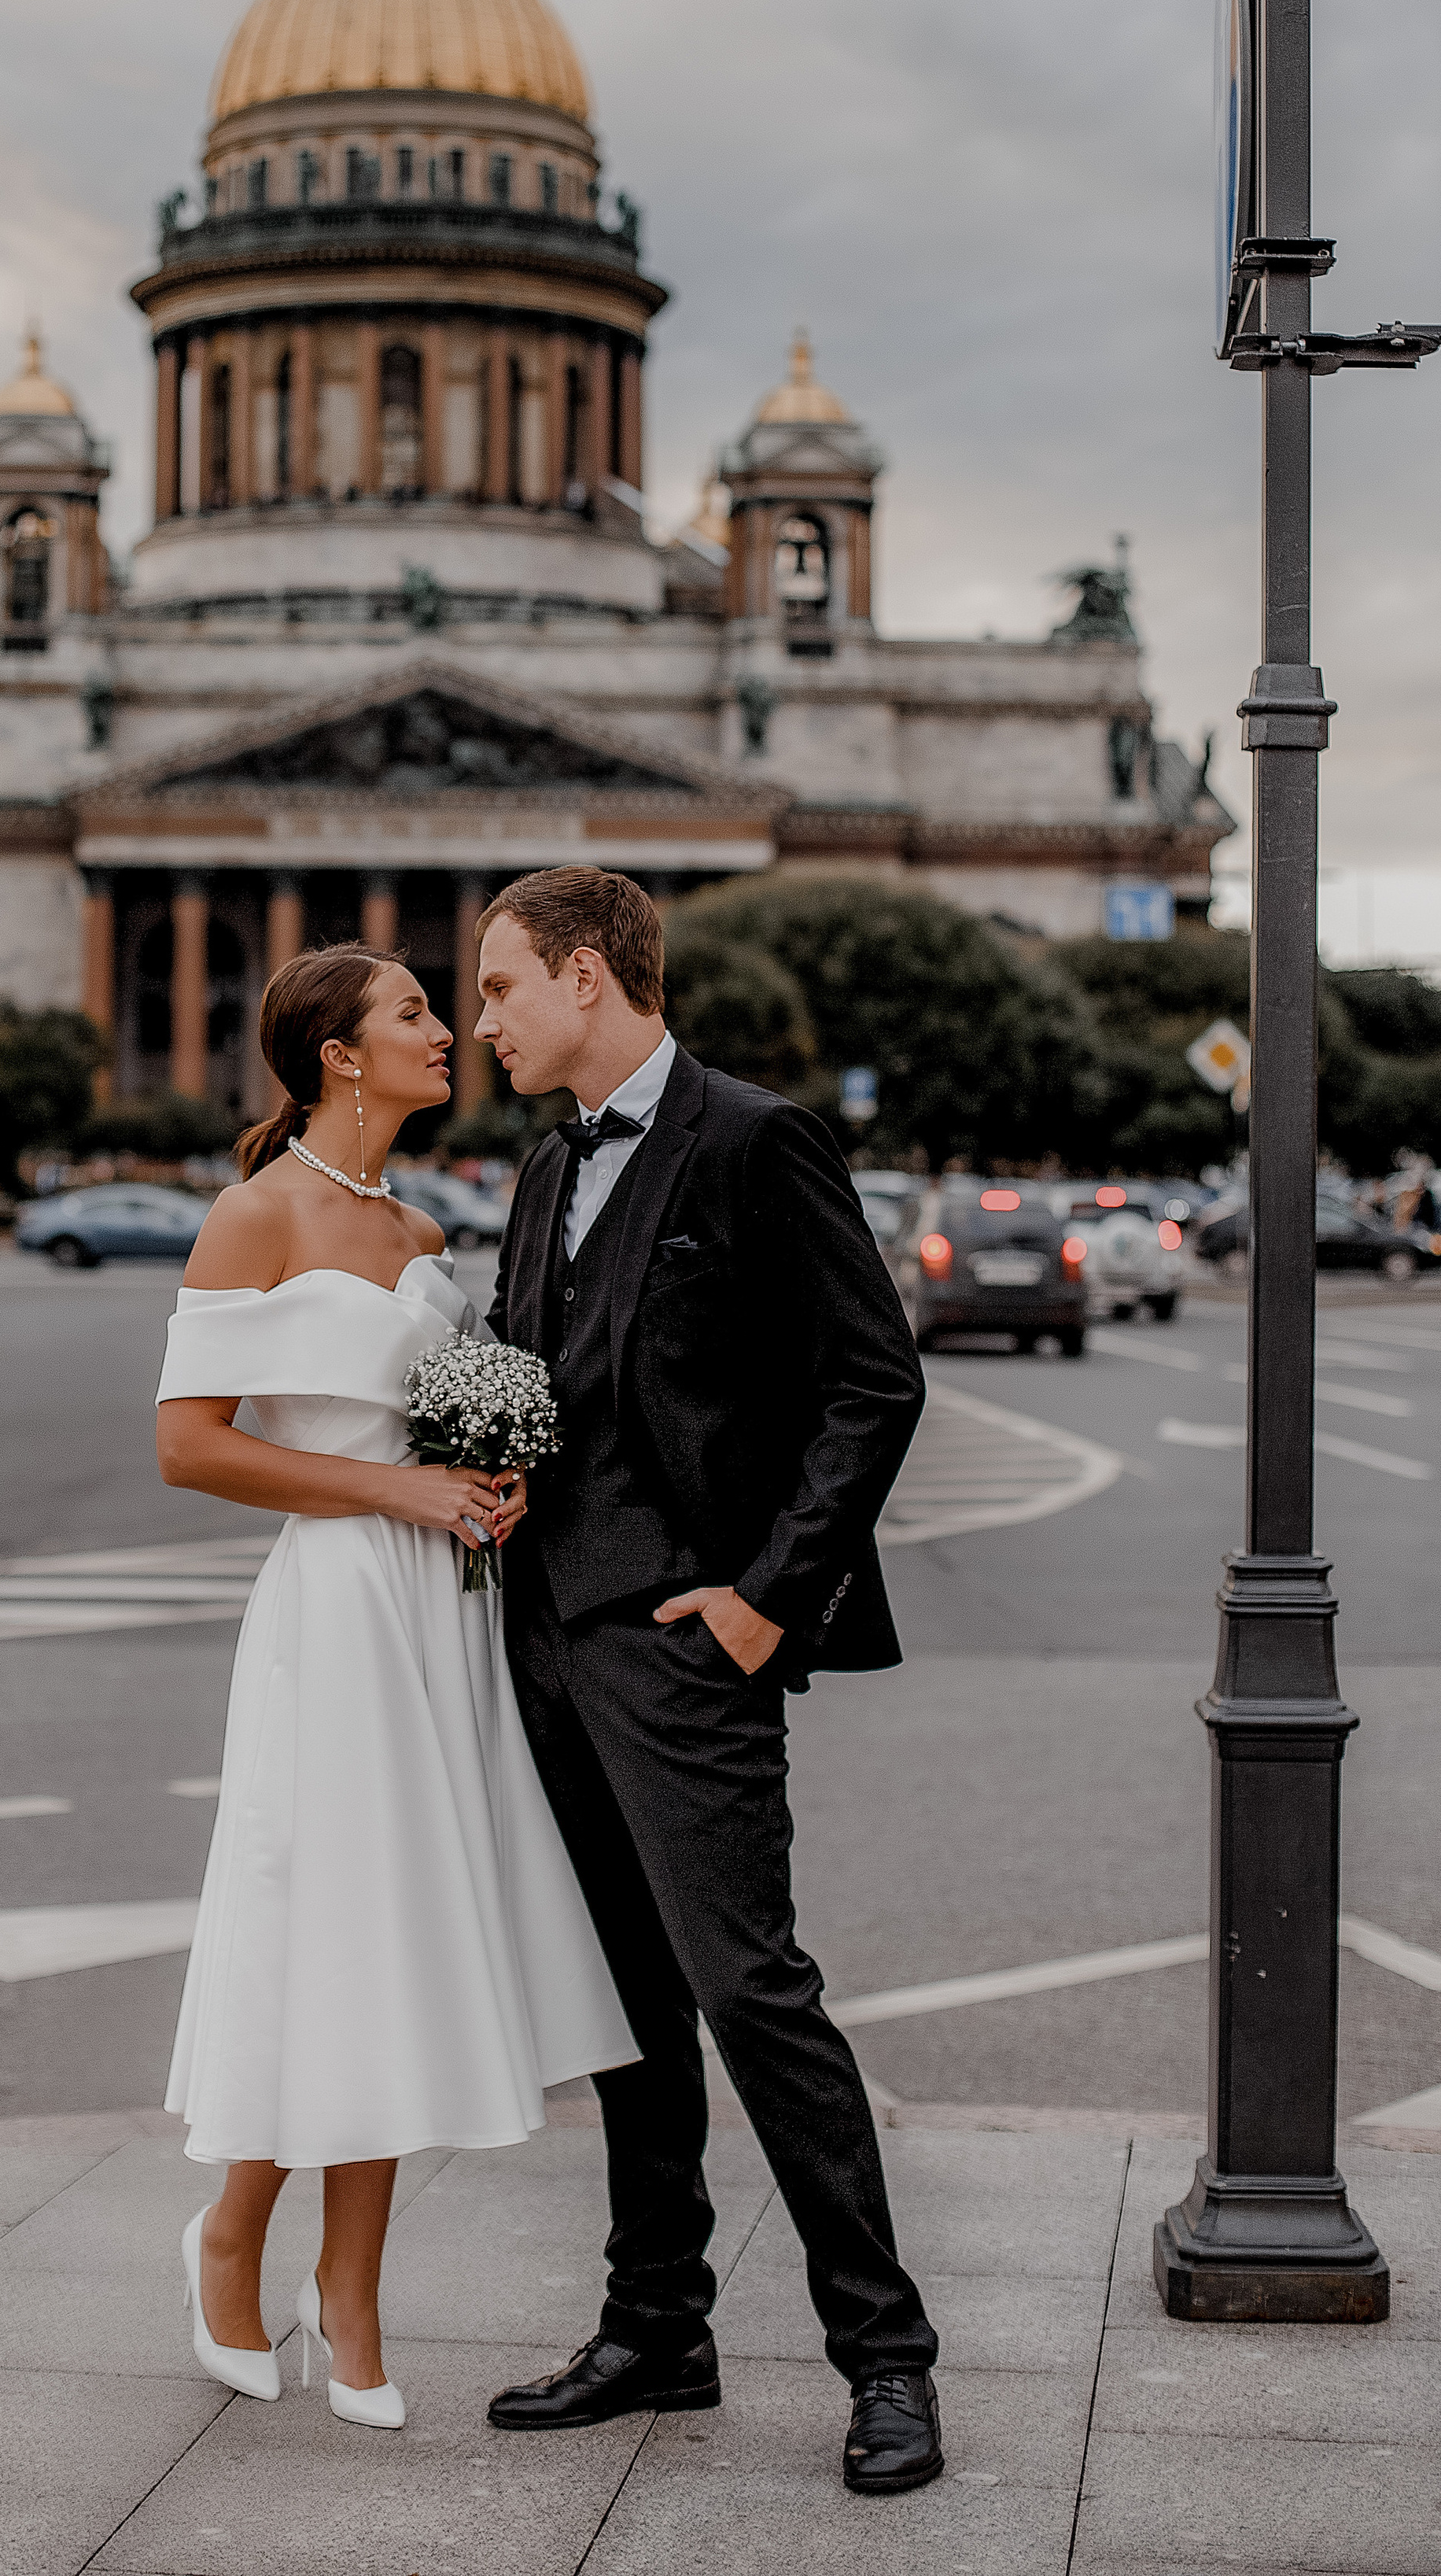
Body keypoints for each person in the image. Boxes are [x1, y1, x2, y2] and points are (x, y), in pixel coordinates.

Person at [473, 866, 943, 2497]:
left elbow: (873, 1382)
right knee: (623, 2003)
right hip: (547, 1633)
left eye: (501, 987)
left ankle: (886, 2356)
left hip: (684, 1643)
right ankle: (657, 2323)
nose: (485, 1021)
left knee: (749, 1992)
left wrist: (762, 1602)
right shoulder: (548, 1165)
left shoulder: (753, 1139)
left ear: (586, 977)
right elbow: (534, 1369)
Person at [154, 945, 636, 2433]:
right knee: (322, 1926)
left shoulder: (421, 1226)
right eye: (417, 1014)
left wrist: (485, 1481)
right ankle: (232, 2237)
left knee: (399, 1943)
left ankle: (348, 2288)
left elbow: (438, 1427)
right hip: (340, 1609)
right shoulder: (256, 1214)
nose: (451, 1031)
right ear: (339, 1055)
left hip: (443, 1608)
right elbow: (189, 1444)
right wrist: (399, 1491)